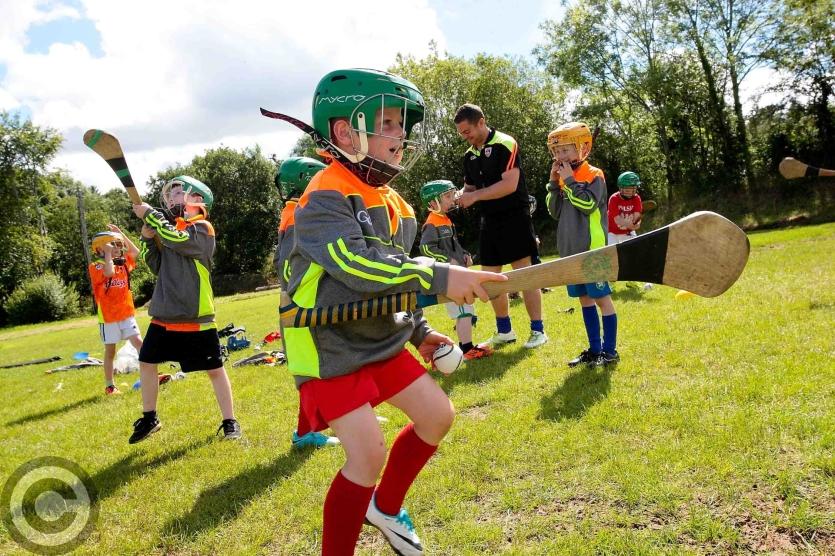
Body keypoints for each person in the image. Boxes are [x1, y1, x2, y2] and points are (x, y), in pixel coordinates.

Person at [283, 68, 504, 555]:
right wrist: (441, 277)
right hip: (328, 345)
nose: (400, 134)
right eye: (388, 123)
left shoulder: (397, 203)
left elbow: (397, 276)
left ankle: (384, 508)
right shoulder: (322, 195)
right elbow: (357, 266)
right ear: (346, 132)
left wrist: (420, 331)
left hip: (380, 337)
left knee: (437, 416)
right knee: (366, 454)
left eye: (402, 124)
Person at [129, 176, 242, 443]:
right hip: (164, 316)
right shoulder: (171, 233)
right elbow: (155, 265)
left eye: (179, 193)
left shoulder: (202, 229)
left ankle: (230, 421)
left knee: (215, 369)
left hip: (196, 316)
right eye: (170, 196)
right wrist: (147, 239)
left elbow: (177, 239)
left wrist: (152, 215)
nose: (172, 199)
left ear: (198, 199)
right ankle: (150, 418)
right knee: (146, 362)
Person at [454, 104, 547, 349]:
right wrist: (458, 196)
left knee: (524, 275)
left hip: (515, 217)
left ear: (481, 122)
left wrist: (475, 196)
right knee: (490, 279)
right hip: (489, 221)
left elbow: (509, 185)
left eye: (467, 131)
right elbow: (470, 188)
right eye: (461, 133)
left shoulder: (505, 143)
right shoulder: (469, 155)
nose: (465, 137)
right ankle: (505, 331)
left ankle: (538, 330)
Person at [273, 156, 340, 449]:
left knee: (327, 366)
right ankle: (305, 432)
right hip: (302, 306)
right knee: (312, 371)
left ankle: (346, 414)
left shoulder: (294, 212)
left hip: (306, 303)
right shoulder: (296, 216)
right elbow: (289, 267)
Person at [545, 122, 619, 367]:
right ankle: (595, 350)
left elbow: (587, 205)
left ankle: (610, 351)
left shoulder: (593, 175)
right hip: (571, 252)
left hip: (592, 250)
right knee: (585, 300)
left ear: (582, 148)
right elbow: (554, 211)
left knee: (602, 299)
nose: (560, 156)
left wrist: (570, 181)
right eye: (556, 151)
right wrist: (554, 183)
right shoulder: (564, 179)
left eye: (565, 150)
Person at [419, 179, 493, 361]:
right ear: (433, 202)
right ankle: (467, 349)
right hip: (448, 278)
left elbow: (455, 246)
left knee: (467, 310)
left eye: (452, 195)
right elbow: (426, 248)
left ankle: (467, 346)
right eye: (447, 196)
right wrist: (447, 260)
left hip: (458, 274)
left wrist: (465, 255)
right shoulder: (432, 223)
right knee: (463, 311)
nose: (452, 199)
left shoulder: (446, 220)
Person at [88, 225, 143, 395]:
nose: (119, 248)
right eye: (114, 245)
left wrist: (121, 235)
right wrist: (108, 254)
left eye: (119, 244)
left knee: (139, 343)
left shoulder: (123, 264)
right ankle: (110, 386)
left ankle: (150, 374)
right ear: (100, 249)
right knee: (110, 351)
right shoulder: (96, 266)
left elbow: (135, 252)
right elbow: (109, 272)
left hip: (126, 314)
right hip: (109, 318)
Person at [607, 171, 645, 290]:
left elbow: (637, 217)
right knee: (611, 257)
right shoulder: (614, 199)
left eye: (632, 188)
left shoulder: (636, 198)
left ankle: (631, 281)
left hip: (627, 232)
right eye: (627, 188)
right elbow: (617, 219)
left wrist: (636, 225)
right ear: (620, 187)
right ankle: (610, 283)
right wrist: (629, 224)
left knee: (634, 254)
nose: (630, 191)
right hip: (611, 231)